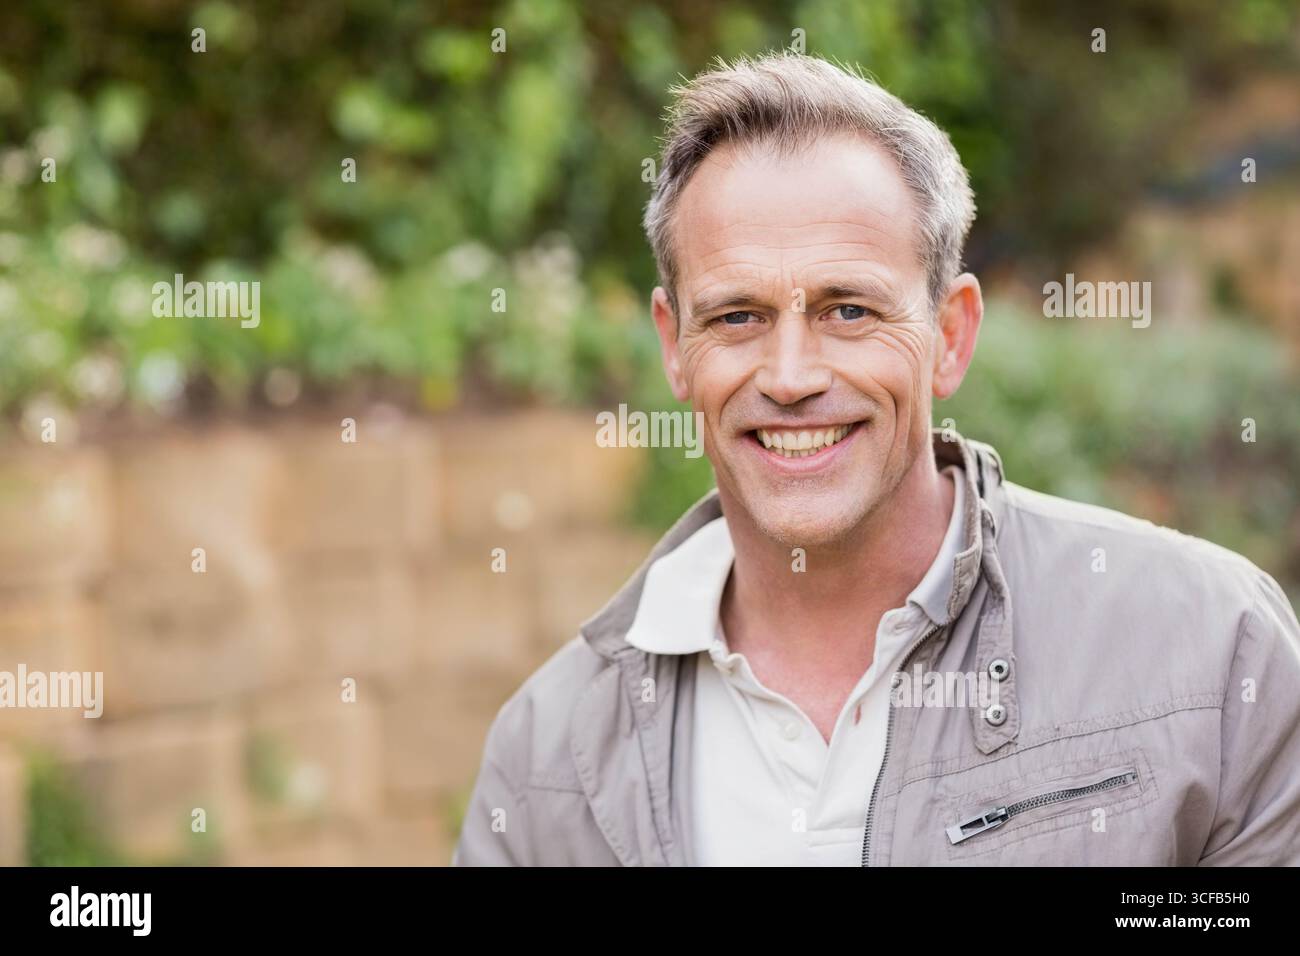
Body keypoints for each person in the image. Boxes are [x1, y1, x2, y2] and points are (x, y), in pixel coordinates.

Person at [454, 51, 1300, 866]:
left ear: (950, 335)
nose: (790, 378)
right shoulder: (547, 757)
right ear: (676, 350)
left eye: (849, 310)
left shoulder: (1211, 649)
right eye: (737, 317)